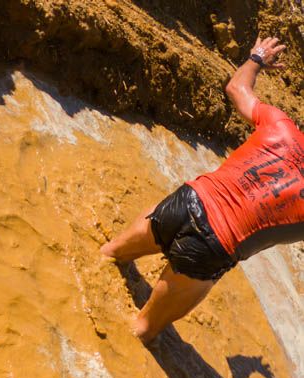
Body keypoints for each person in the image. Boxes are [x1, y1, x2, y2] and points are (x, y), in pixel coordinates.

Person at [101, 35, 302, 344]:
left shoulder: (282, 126)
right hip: (212, 248)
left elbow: (236, 88)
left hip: (186, 201)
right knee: (141, 332)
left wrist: (257, 59)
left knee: (108, 256)